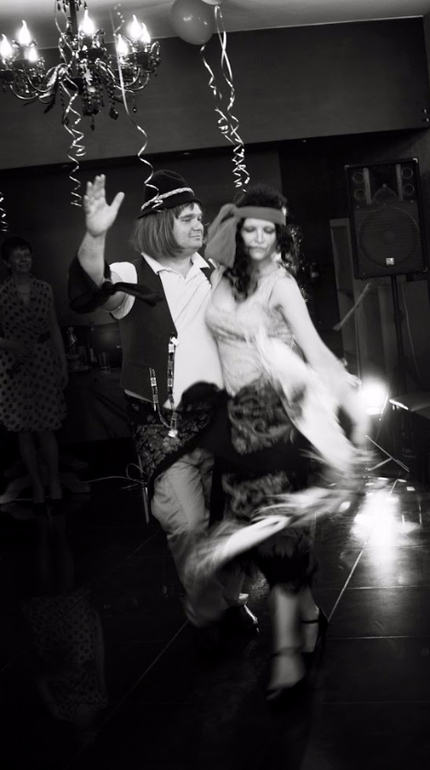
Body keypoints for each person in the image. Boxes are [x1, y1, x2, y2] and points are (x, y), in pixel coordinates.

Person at [67, 171, 258, 640]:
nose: (198, 225)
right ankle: (205, 609)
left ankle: (230, 598)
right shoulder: (134, 276)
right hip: (162, 426)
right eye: (187, 218)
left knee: (239, 518)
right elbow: (92, 281)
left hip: (222, 420)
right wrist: (94, 235)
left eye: (199, 217)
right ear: (160, 223)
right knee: (187, 523)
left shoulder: (215, 272)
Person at [203, 183, 367, 701]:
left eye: (267, 230)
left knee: (278, 541)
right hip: (235, 424)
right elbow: (210, 248)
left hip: (276, 420)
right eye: (248, 229)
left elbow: (315, 350)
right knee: (263, 537)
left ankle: (287, 660)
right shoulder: (222, 275)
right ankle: (310, 613)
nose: (257, 239)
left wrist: (352, 407)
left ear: (280, 235)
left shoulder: (282, 285)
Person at [0, 236, 68, 512]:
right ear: (7, 262)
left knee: (46, 427)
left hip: (43, 361)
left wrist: (62, 363)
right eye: (17, 256)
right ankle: (37, 485)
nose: (23, 260)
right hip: (13, 366)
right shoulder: (1, 293)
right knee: (24, 429)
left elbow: (53, 327)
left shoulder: (44, 288)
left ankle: (54, 481)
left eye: (27, 255)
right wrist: (10, 344)